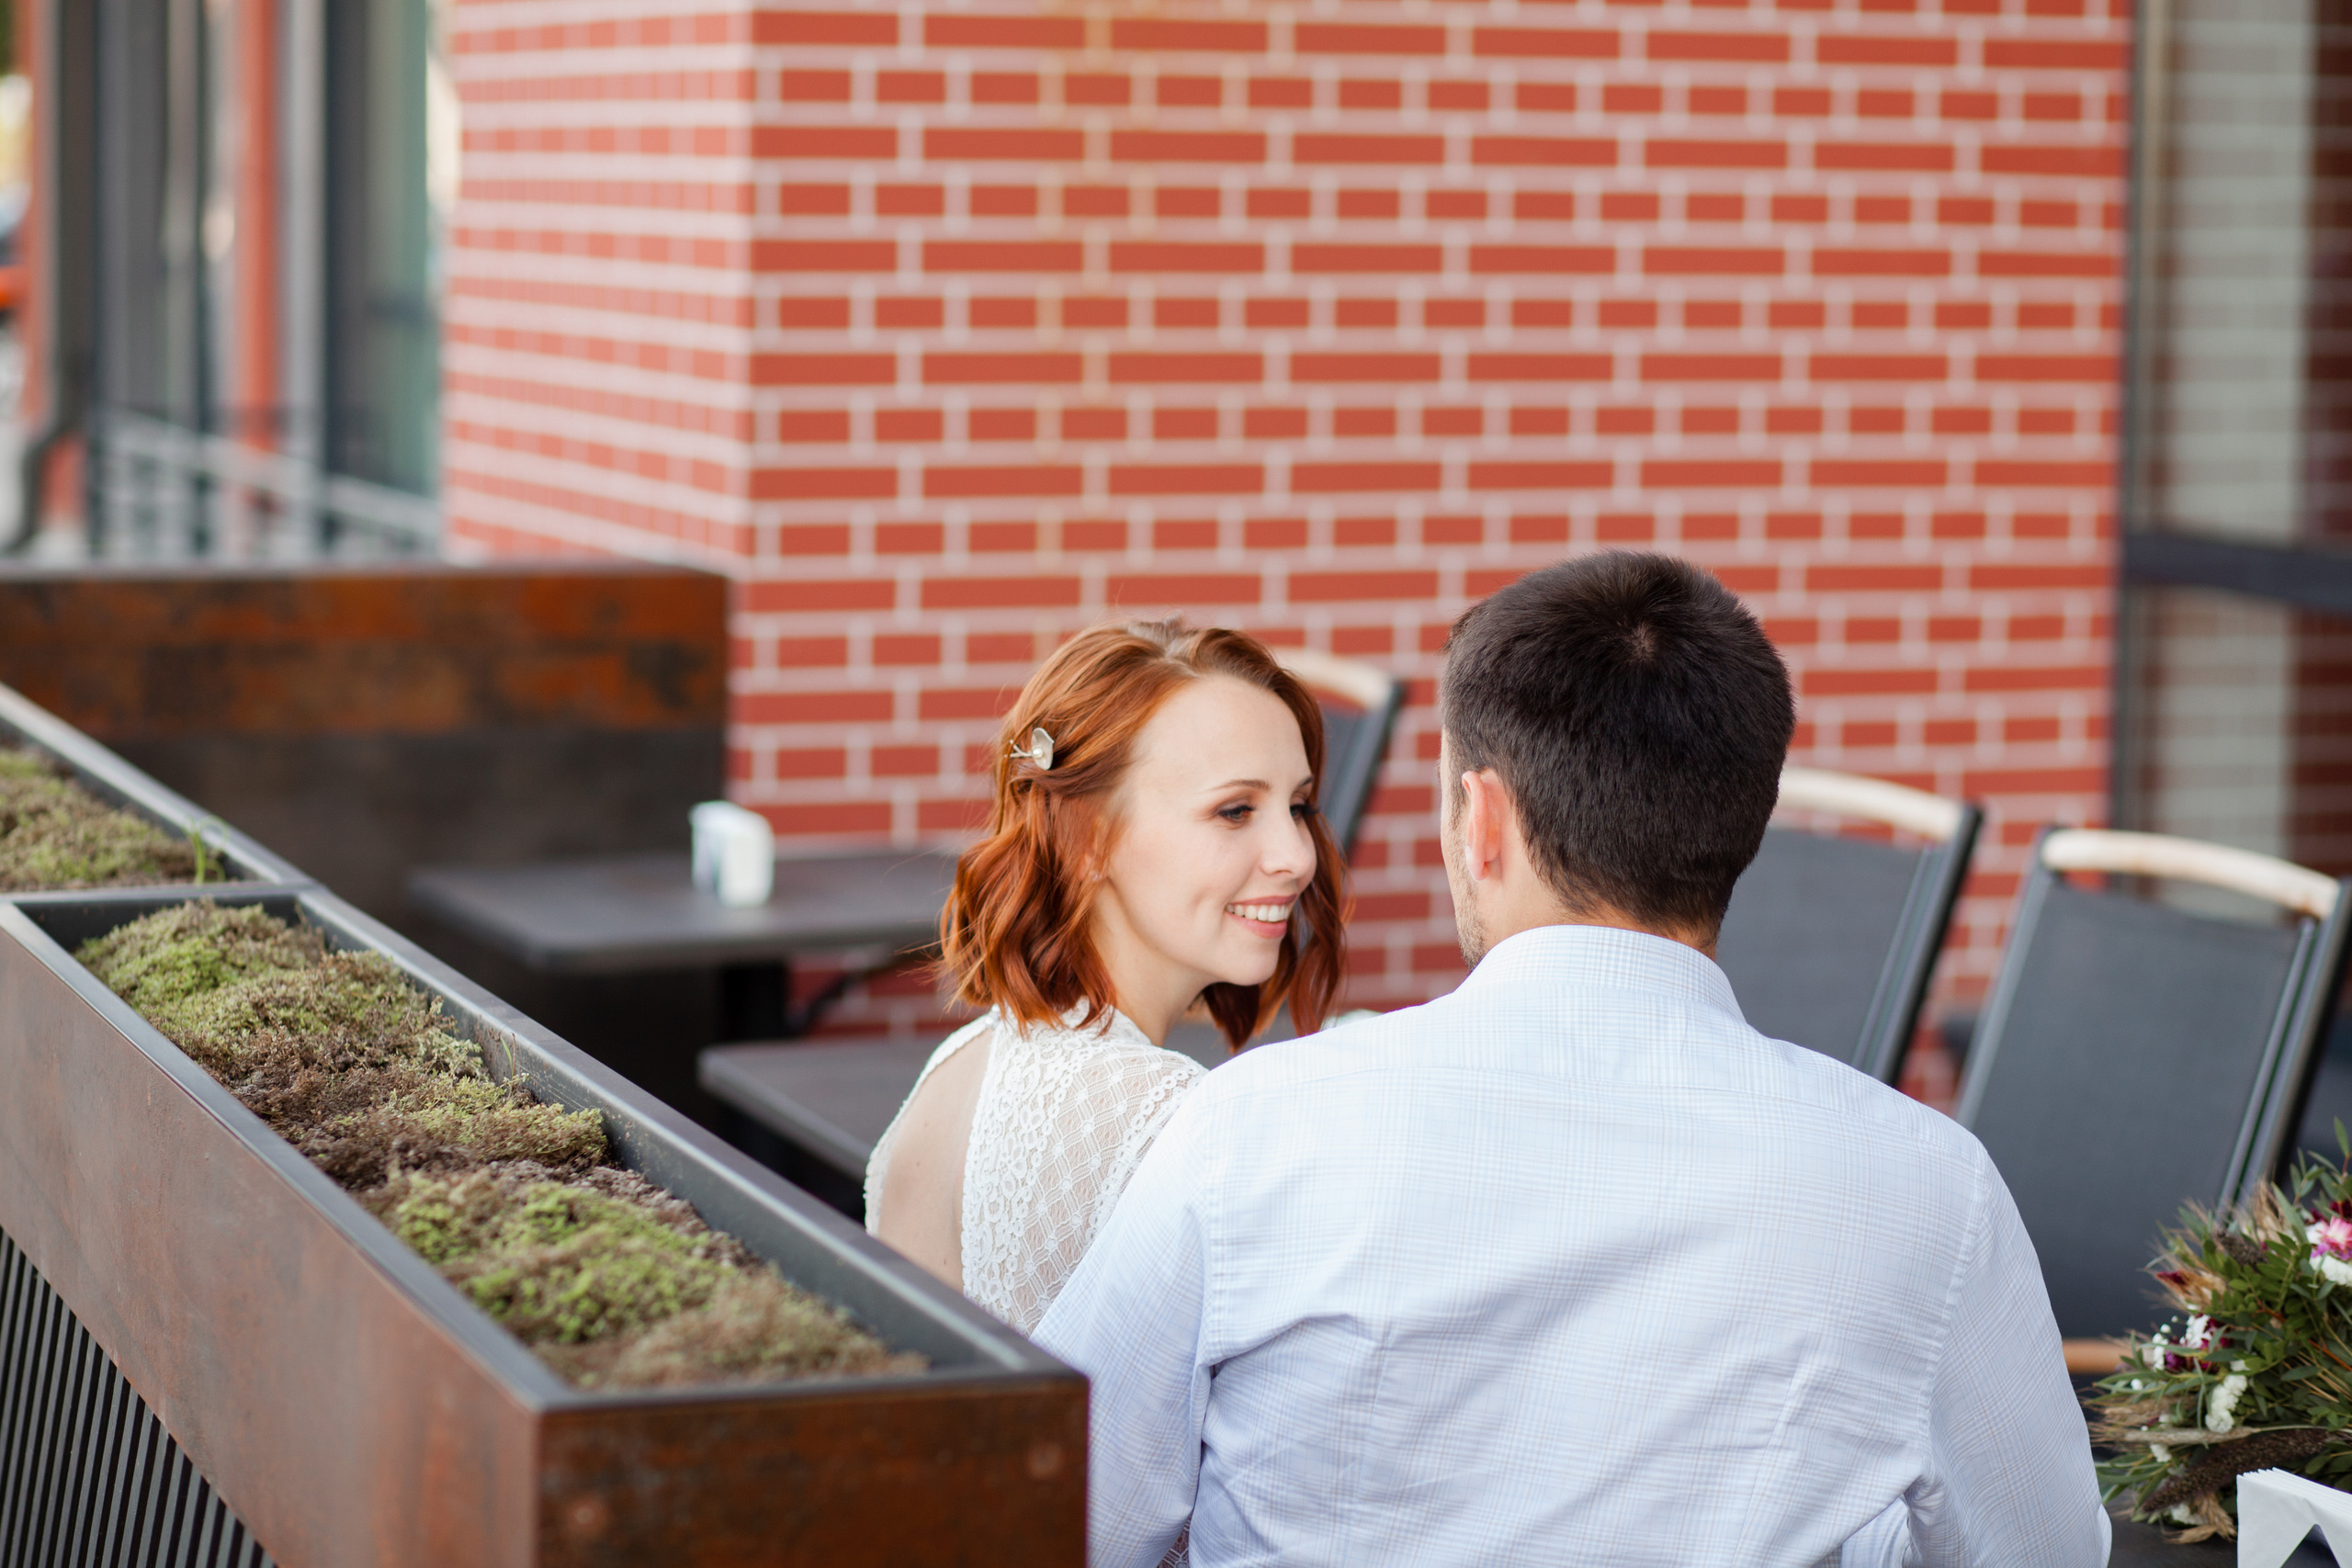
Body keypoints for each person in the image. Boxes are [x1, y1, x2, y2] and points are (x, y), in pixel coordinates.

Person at [1035, 553, 2108, 1567]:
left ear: (1482, 821)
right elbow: (2047, 1548)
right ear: (1743, 820)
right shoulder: (1927, 1191)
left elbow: (1055, 1511)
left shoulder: (1253, 1128)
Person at [865, 621, 1348, 1333]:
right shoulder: (1162, 1115)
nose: (1296, 856)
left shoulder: (966, 1059)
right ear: (1088, 838)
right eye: (1235, 809)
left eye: (1299, 806)